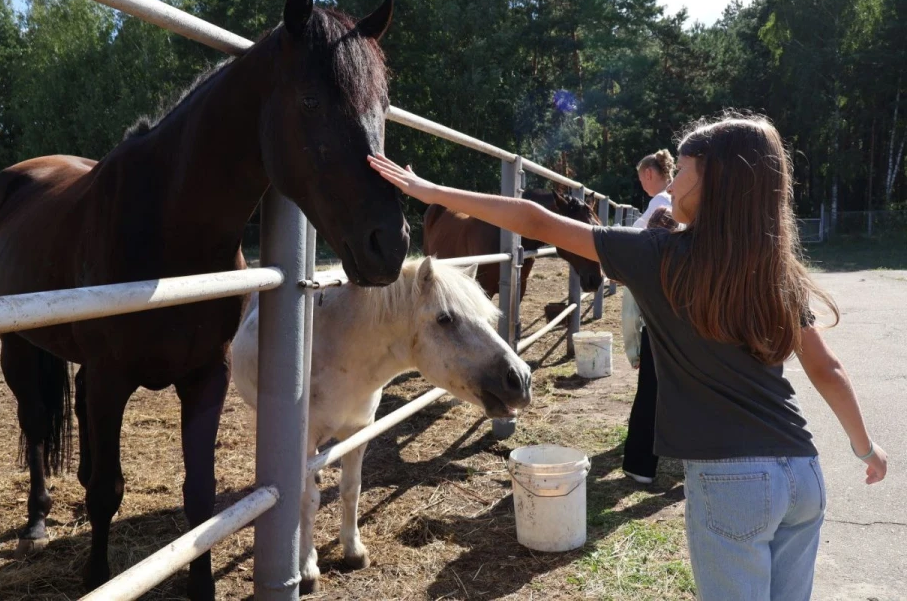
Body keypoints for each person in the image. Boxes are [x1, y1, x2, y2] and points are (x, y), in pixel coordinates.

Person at [368, 112, 887, 601]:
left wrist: (431, 192)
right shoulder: (777, 269)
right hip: (803, 473)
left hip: (733, 482)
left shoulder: (659, 257)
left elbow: (536, 220)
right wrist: (865, 449)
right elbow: (828, 369)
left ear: (714, 184)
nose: (671, 184)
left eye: (681, 171)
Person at [621, 205, 678, 485]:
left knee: (647, 399)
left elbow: (630, 314)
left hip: (653, 335)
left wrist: (634, 352)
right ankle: (691, 462)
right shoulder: (687, 258)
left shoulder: (640, 264)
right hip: (685, 337)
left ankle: (639, 466)